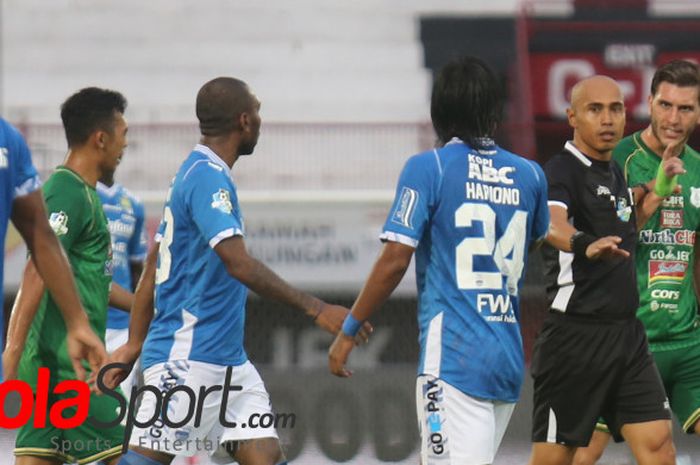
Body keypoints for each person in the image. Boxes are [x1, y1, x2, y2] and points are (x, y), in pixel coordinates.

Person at [106, 77, 369, 465]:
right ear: (244, 121)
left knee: (265, 457)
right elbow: (237, 262)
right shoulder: (207, 178)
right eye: (258, 111)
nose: (261, 120)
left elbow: (152, 265)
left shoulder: (193, 173)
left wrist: (133, 343)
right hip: (189, 356)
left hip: (229, 362)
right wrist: (316, 308)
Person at [328, 56, 550, 465]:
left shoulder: (427, 168)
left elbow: (395, 259)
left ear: (439, 113)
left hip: (453, 360)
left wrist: (349, 328)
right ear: (494, 111)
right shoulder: (530, 175)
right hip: (506, 359)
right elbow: (532, 244)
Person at [528, 75, 682, 465]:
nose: (608, 118)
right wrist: (584, 243)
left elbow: (626, 222)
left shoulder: (612, 171)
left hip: (627, 336)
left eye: (615, 108)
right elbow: (550, 224)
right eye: (595, 109)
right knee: (554, 460)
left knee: (659, 445)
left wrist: (658, 186)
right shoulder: (561, 170)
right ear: (572, 117)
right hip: (575, 338)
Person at [572, 60, 700, 465]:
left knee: (660, 454)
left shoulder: (699, 171)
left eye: (686, 108)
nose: (673, 118)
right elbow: (610, 241)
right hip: (625, 342)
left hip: (687, 343)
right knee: (576, 456)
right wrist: (656, 192)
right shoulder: (616, 161)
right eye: (665, 105)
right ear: (648, 103)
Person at [5, 87, 134, 465]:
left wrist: (151, 301)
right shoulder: (67, 191)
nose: (125, 146)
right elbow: (38, 270)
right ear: (101, 139)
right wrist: (11, 351)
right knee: (132, 453)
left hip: (51, 366)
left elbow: (91, 284)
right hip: (72, 370)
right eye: (123, 134)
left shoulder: (84, 194)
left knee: (37, 458)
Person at [0, 117, 106, 382]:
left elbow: (41, 237)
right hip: (51, 365)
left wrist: (77, 322)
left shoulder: (9, 142)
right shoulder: (65, 190)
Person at [98, 165, 148, 402]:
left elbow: (138, 269)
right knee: (83, 406)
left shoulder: (132, 204)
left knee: (120, 406)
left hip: (122, 327)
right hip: (87, 320)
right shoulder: (80, 196)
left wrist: (142, 315)